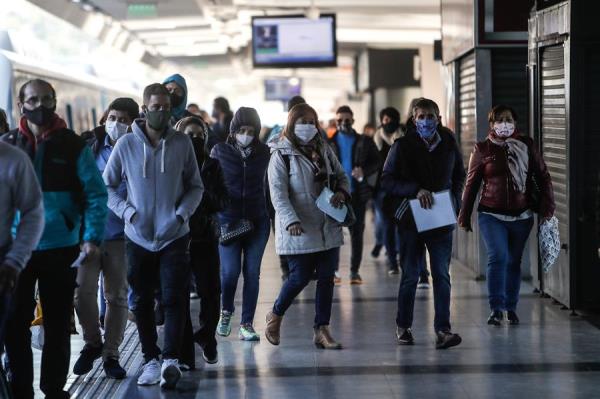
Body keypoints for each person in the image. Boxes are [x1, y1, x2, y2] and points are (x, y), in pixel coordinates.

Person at [2, 79, 108, 398]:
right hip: (16, 249)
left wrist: (90, 238)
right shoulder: (9, 145)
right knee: (13, 322)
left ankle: (53, 388)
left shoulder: (73, 145)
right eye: (33, 100)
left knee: (59, 321)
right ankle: (21, 388)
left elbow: (95, 194)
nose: (40, 107)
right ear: (21, 105)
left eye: (46, 100)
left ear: (55, 102)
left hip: (61, 245)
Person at [103, 83, 203, 389]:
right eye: (155, 107)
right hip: (137, 237)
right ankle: (150, 359)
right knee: (142, 302)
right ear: (144, 109)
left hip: (174, 235)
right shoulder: (126, 146)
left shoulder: (182, 144)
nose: (161, 112)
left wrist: (181, 215)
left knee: (174, 299)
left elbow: (195, 186)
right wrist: (128, 213)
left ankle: (170, 359)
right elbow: (107, 186)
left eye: (166, 107)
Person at [458, 105, 554, 325]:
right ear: (491, 124)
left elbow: (543, 176)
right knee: (498, 257)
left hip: (522, 216)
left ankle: (511, 307)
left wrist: (548, 209)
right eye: (499, 120)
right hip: (491, 214)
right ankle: (496, 308)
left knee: (513, 262)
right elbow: (471, 184)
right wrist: (464, 216)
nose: (504, 124)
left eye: (508, 119)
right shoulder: (482, 149)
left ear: (515, 122)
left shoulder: (527, 145)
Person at [381, 98, 465, 350]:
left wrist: (454, 200)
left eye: (431, 116)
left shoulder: (449, 142)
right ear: (413, 119)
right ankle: (404, 325)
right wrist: (415, 190)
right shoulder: (402, 146)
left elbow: (459, 174)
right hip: (411, 220)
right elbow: (386, 180)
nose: (426, 121)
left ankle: (443, 329)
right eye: (421, 116)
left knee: (441, 274)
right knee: (410, 275)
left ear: (438, 118)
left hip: (441, 219)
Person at [264, 103, 349, 350]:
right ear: (291, 124)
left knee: (326, 278)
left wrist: (342, 192)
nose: (308, 127)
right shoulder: (281, 154)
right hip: (299, 225)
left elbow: (341, 176)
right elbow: (278, 194)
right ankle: (275, 314)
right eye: (302, 122)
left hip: (327, 223)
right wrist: (290, 220)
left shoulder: (324, 149)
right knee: (299, 276)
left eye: (312, 122)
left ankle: (321, 329)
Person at [73, 98, 139, 379]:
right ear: (103, 118)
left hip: (122, 235)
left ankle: (111, 354)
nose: (117, 123)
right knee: (81, 293)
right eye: (113, 117)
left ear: (134, 122)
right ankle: (92, 342)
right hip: (89, 234)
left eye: (124, 119)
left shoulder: (137, 148)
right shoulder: (89, 146)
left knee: (117, 296)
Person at [211, 107, 270, 341]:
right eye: (242, 130)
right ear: (233, 131)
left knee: (252, 273)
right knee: (230, 272)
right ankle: (226, 312)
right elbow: (211, 184)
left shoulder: (265, 152)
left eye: (251, 131)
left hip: (258, 221)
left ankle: (247, 324)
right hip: (228, 220)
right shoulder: (220, 151)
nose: (246, 135)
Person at [175, 116, 228, 368]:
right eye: (189, 135)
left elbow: (222, 202)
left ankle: (207, 338)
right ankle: (185, 353)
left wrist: (200, 188)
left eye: (199, 135)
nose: (194, 140)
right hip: (176, 238)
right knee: (179, 295)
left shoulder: (213, 165)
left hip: (205, 236)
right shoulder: (170, 164)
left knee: (210, 292)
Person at [0, 140, 44, 398]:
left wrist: (15, 260)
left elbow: (33, 213)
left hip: (3, 265)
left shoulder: (14, 160)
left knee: (13, 331)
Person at [328, 105, 380, 284]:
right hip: (335, 196)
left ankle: (354, 272)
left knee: (357, 233)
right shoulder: (329, 143)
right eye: (340, 120)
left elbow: (377, 161)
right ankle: (333, 271)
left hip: (357, 194)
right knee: (334, 234)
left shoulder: (365, 141)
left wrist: (364, 170)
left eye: (346, 120)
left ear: (353, 121)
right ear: (336, 121)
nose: (343, 123)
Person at [371, 107, 405, 275]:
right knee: (387, 226)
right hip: (381, 190)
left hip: (401, 189)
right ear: (381, 121)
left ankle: (403, 259)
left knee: (403, 226)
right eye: (385, 120)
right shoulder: (375, 140)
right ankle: (393, 261)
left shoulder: (404, 138)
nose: (388, 123)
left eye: (392, 119)